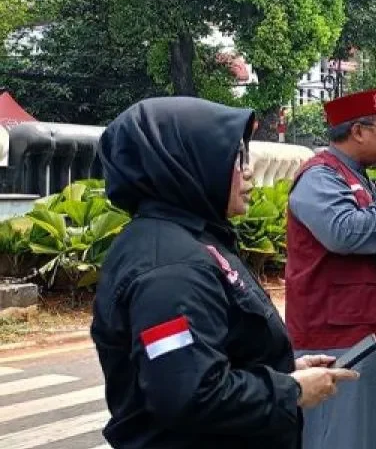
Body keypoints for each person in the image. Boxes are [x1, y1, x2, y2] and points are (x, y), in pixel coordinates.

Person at [92, 97, 355, 448]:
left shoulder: (189, 238)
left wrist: (280, 370)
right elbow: (188, 393)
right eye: (235, 157)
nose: (247, 171)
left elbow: (210, 350)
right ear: (189, 163)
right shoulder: (171, 270)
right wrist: (288, 390)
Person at [285, 89, 376, 449]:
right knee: (339, 431)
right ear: (358, 132)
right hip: (336, 332)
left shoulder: (359, 176)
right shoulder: (320, 177)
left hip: (371, 324)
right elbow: (342, 233)